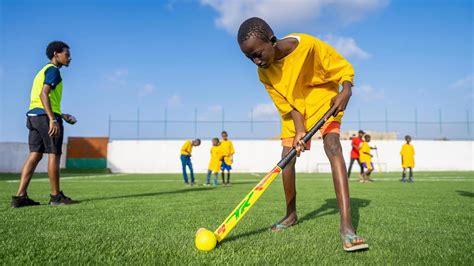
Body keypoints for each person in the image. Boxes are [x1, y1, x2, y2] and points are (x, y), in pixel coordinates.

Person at [237, 17, 368, 251]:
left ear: (273, 41)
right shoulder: (264, 74)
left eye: (258, 54)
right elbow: (288, 104)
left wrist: (346, 90)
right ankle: (291, 214)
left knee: (333, 146)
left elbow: (342, 68)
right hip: (295, 110)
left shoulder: (308, 45)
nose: (256, 61)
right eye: (250, 58)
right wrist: (299, 130)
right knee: (287, 160)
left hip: (323, 99)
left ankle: (347, 226)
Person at [11, 41, 78, 208]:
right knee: (54, 154)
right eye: (67, 55)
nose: (69, 58)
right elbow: (44, 94)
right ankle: (56, 197)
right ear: (56, 54)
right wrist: (53, 119)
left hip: (33, 116)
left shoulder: (42, 71)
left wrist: (61, 114)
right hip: (46, 117)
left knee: (35, 154)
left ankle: (20, 197)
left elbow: (40, 98)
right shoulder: (53, 71)